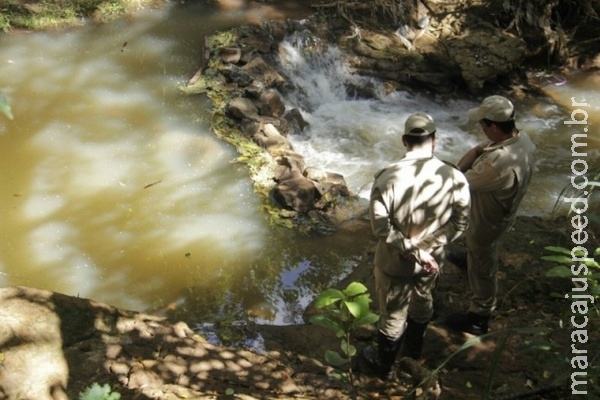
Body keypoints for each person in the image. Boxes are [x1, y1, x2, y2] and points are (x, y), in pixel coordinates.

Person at [362, 112, 471, 380]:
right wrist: (426, 248)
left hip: (394, 262)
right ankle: (413, 353)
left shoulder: (387, 177)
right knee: (422, 301)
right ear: (434, 141)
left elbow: (380, 228)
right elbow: (460, 223)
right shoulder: (455, 177)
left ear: (404, 141)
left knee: (392, 313)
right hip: (432, 260)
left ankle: (384, 367)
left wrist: (413, 250)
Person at [446, 95, 536, 335]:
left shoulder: (498, 163)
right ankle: (470, 259)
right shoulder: (520, 140)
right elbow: (479, 150)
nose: (480, 128)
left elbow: (458, 183)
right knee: (478, 253)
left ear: (493, 126)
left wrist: (454, 169)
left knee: (483, 265)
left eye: (482, 125)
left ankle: (479, 316)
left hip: (488, 221)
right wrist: (476, 151)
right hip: (501, 211)